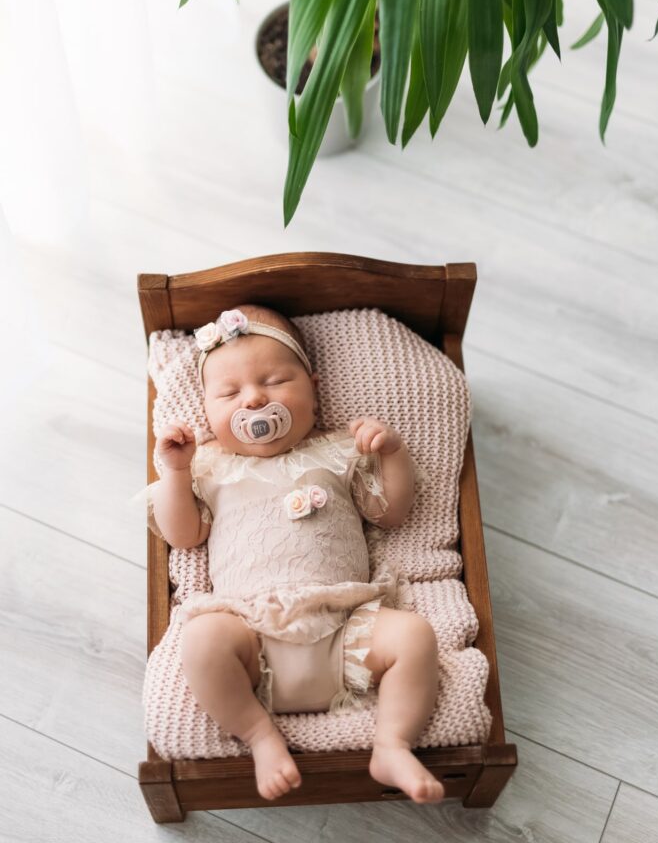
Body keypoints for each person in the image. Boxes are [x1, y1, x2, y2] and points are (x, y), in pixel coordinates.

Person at [145, 304, 444, 804]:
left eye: (275, 381)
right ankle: (260, 736)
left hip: (347, 627)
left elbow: (391, 514)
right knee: (201, 639)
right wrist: (175, 472)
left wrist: (392, 454)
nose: (254, 399)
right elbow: (183, 535)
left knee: (414, 636)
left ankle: (392, 743)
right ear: (208, 410)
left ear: (313, 388)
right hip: (250, 635)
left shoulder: (338, 452)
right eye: (230, 393)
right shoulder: (211, 467)